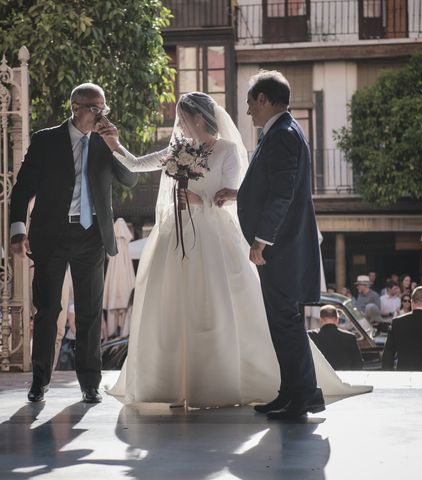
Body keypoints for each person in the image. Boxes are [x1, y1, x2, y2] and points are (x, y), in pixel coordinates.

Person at [99, 90, 370, 412]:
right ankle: (177, 382)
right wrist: (115, 146)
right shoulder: (178, 149)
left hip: (213, 235)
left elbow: (235, 194)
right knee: (174, 308)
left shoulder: (227, 150)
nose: (179, 126)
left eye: (183, 119)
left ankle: (227, 380)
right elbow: (138, 164)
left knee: (218, 307)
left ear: (198, 118)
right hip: (176, 236)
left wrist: (201, 200)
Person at [9, 83, 138, 404]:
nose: (100, 115)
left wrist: (116, 145)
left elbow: (131, 178)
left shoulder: (106, 143)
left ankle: (90, 384)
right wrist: (17, 229)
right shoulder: (45, 140)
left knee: (91, 313)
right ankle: (39, 382)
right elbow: (22, 187)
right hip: (51, 235)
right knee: (48, 310)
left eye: (103, 108)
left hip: (92, 236)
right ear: (75, 108)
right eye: (95, 108)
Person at [237, 70, 332, 420]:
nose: (249, 112)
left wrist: (261, 241)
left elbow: (282, 194)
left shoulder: (282, 135)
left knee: (287, 323)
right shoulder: (281, 131)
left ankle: (305, 396)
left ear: (263, 99)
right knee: (282, 323)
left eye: (250, 103)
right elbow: (270, 187)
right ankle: (292, 392)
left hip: (280, 248)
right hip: (281, 247)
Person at [309, 306, 363, 370]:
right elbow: (358, 364)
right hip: (344, 378)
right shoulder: (350, 337)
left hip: (320, 379)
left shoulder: (311, 336)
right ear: (337, 319)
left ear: (321, 319)